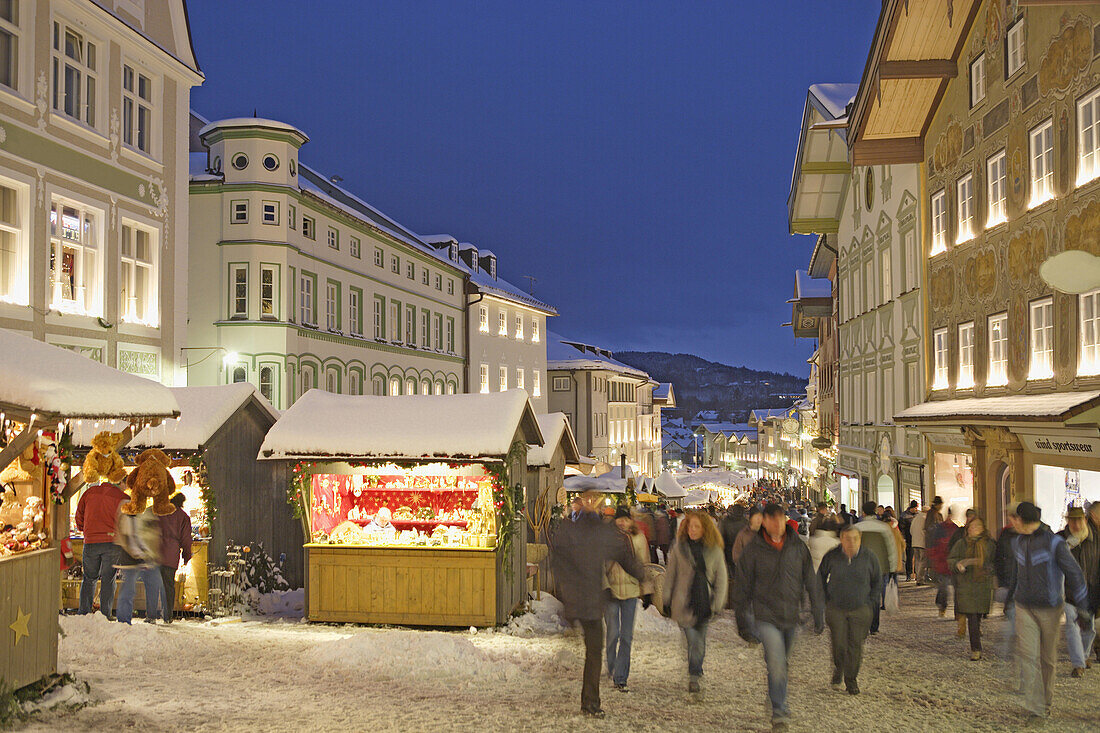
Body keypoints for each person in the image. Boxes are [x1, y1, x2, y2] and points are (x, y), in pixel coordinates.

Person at [551, 491, 645, 718]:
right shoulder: (600, 532)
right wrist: (640, 573)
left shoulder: (570, 529)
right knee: (594, 652)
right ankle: (590, 703)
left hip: (583, 599)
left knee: (594, 652)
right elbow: (622, 554)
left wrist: (566, 596)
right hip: (590, 600)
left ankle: (590, 702)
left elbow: (557, 561)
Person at [733, 503, 824, 732]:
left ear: (785, 519)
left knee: (782, 662)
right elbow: (742, 587)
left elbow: (810, 580)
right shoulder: (753, 550)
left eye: (780, 518)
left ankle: (775, 694)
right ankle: (779, 711)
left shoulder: (797, 547)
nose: (777, 523)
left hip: (790, 615)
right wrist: (743, 621)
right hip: (765, 615)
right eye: (771, 519)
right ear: (764, 521)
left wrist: (818, 610)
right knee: (776, 663)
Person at [1007, 501, 1090, 721]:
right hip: (1024, 605)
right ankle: (1036, 708)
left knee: (1047, 659)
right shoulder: (1018, 541)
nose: (1011, 522)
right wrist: (1009, 599)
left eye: (1015, 518)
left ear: (1025, 521)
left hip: (1050, 609)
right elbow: (1017, 572)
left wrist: (1082, 608)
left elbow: (1075, 574)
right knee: (1028, 655)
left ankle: (1045, 704)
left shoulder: (1054, 544)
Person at [663, 510, 727, 695]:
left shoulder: (714, 550)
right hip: (683, 602)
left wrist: (717, 603)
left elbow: (721, 579)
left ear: (705, 529)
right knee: (693, 641)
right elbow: (671, 574)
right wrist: (666, 598)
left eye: (697, 526)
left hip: (704, 603)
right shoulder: (679, 548)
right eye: (690, 526)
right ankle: (694, 675)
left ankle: (696, 670)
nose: (692, 530)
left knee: (700, 643)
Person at [818, 526, 879, 694]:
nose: (851, 542)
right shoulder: (832, 556)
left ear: (860, 540)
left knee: (855, 645)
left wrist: (871, 602)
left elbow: (877, 581)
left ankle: (851, 679)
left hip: (860, 608)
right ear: (841, 539)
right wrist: (825, 599)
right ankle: (839, 668)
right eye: (847, 538)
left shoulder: (869, 557)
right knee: (839, 644)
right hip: (836, 608)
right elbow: (820, 576)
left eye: (855, 538)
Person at [604, 507, 653, 692]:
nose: (623, 522)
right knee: (612, 634)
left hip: (631, 591)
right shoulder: (608, 538)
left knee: (626, 636)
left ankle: (621, 677)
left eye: (626, 519)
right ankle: (611, 666)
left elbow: (644, 565)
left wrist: (647, 590)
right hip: (611, 590)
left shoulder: (638, 539)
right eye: (619, 519)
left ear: (631, 520)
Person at [75, 478, 129, 618]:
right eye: (126, 486)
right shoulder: (123, 498)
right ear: (121, 482)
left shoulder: (90, 492)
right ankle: (106, 613)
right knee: (108, 578)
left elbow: (79, 513)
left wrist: (84, 529)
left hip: (91, 541)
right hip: (112, 542)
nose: (126, 489)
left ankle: (84, 611)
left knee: (89, 578)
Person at [1057, 506, 1099, 677]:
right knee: (1072, 626)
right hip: (1069, 593)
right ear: (1068, 521)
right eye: (1072, 520)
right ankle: (1078, 664)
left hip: (1091, 593)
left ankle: (1085, 655)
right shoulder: (1060, 540)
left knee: (1089, 629)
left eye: (1078, 519)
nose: (1075, 524)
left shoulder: (1095, 539)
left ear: (1085, 520)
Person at [948, 516, 995, 661]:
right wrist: (958, 564)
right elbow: (951, 559)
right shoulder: (961, 544)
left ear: (982, 529)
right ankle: (976, 649)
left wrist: (988, 568)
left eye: (977, 527)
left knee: (978, 615)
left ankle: (977, 638)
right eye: (971, 527)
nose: (973, 530)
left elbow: (995, 561)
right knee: (972, 617)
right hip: (966, 584)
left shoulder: (989, 544)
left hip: (982, 585)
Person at [114, 504, 165, 625]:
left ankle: (127, 618)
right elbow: (129, 539)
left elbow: (136, 538)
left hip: (138, 557)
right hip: (131, 559)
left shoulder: (136, 518)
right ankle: (124, 619)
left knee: (132, 588)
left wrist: (145, 552)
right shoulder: (129, 517)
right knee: (129, 589)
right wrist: (140, 552)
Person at [856, 501, 898, 634]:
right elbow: (891, 548)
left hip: (861, 566)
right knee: (875, 595)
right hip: (880, 566)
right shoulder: (883, 528)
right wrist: (892, 567)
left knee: (863, 594)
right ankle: (874, 625)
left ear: (863, 512)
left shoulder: (858, 527)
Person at [157, 492, 193, 624]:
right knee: (169, 585)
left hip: (156, 551)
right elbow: (186, 539)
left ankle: (152, 613)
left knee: (154, 583)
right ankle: (167, 615)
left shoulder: (160, 512)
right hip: (171, 554)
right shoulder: (183, 516)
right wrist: (186, 556)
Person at [927, 505, 959, 620]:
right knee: (943, 588)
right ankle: (942, 607)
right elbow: (934, 546)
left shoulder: (954, 529)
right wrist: (934, 559)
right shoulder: (942, 529)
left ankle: (956, 611)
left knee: (954, 589)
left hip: (950, 563)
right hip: (943, 563)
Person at [720, 504, 748, 607]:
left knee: (731, 576)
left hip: (728, 550)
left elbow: (720, 537)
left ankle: (732, 598)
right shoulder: (745, 522)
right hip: (743, 552)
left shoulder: (725, 522)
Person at [910, 502, 928, 585]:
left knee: (917, 560)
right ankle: (920, 579)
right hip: (922, 542)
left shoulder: (916, 518)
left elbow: (911, 530)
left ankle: (918, 577)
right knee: (922, 561)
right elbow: (927, 531)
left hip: (914, 542)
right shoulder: (925, 518)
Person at [900, 501, 918, 581]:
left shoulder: (917, 515)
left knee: (917, 557)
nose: (917, 509)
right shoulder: (904, 516)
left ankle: (916, 573)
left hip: (917, 538)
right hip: (909, 539)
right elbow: (902, 528)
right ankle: (909, 573)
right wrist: (903, 538)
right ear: (912, 508)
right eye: (915, 508)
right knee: (909, 557)